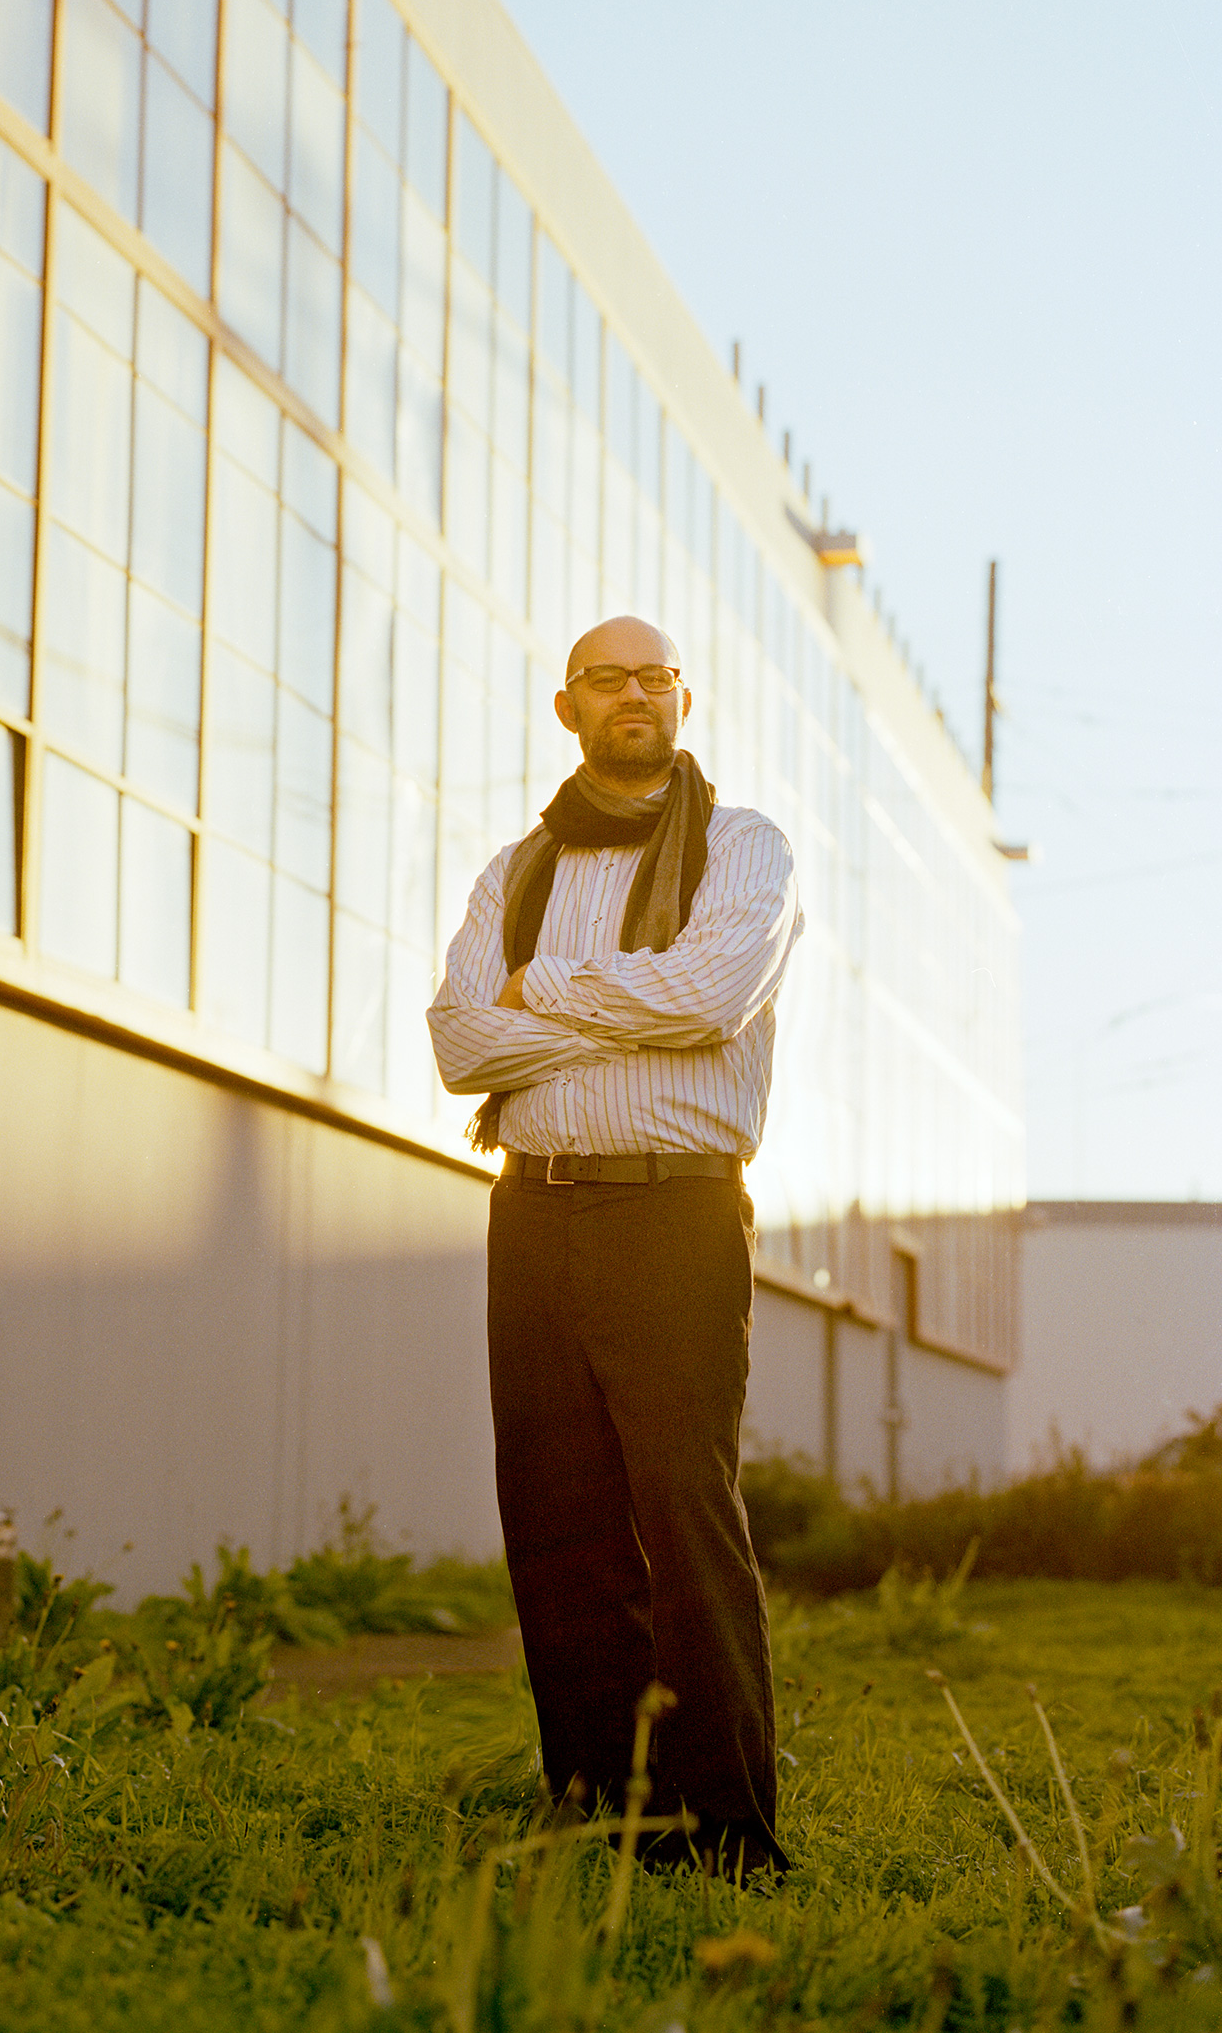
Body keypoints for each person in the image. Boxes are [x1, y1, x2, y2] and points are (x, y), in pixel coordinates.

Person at [426, 614, 803, 1878]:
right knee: (554, 1512)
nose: (631, 692)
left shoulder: (744, 848)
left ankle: (726, 1830)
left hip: (672, 1207)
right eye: (606, 677)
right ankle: (598, 1807)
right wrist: (614, 1010)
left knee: (680, 1508)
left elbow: (710, 999)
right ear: (566, 706)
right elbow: (457, 1046)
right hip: (531, 1207)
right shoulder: (512, 870)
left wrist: (542, 994)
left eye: (653, 675)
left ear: (682, 699)